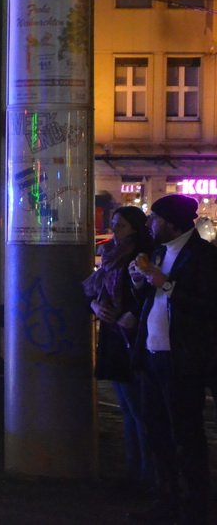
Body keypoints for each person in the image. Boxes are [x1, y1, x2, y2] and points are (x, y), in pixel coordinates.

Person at [127, 194, 217, 524]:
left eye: (154, 219)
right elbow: (152, 298)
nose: (149, 225)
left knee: (186, 435)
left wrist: (166, 285)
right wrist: (141, 284)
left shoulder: (203, 257)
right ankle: (166, 499)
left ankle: (195, 505)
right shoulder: (159, 253)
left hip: (182, 360)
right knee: (157, 432)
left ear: (171, 222)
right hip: (152, 354)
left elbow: (206, 305)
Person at [82, 206, 153, 491]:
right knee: (128, 408)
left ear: (134, 228)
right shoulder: (112, 255)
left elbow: (148, 293)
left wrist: (132, 314)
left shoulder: (141, 256)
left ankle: (147, 476)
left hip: (131, 339)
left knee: (139, 410)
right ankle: (134, 472)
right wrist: (96, 306)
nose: (114, 230)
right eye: (113, 224)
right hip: (114, 336)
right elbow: (94, 292)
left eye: (120, 226)